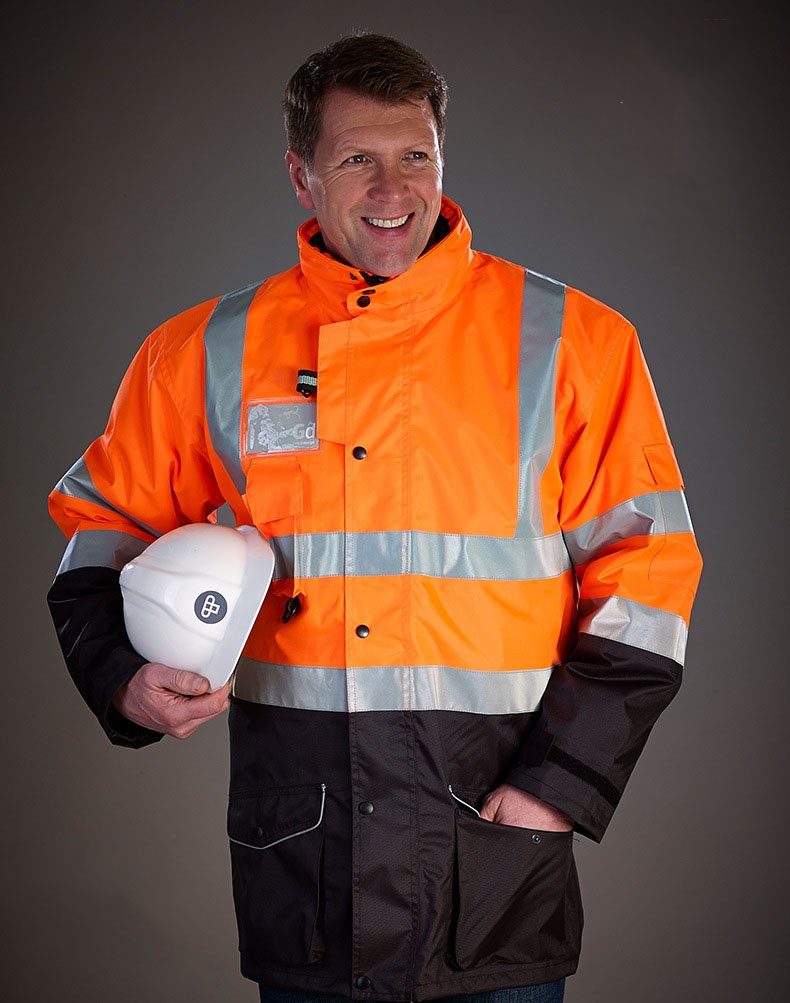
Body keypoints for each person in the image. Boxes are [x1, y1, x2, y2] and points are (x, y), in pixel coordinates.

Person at [47, 32, 702, 1003]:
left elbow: (647, 581)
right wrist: (121, 677)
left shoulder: (573, 341)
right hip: (308, 863)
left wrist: (556, 787)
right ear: (301, 176)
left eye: (416, 155)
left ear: (442, 158)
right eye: (356, 157)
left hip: (492, 857)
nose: (392, 187)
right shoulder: (204, 352)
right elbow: (98, 536)